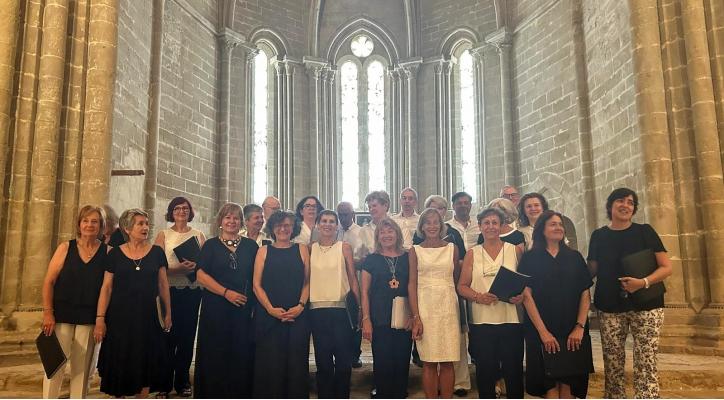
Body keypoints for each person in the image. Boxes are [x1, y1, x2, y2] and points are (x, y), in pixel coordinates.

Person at [587, 188, 672, 398]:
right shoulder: (599, 235)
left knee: (646, 360)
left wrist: (642, 282)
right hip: (610, 305)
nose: (625, 205)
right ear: (610, 205)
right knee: (613, 361)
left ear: (634, 209)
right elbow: (591, 270)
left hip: (647, 304)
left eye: (630, 202)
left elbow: (666, 267)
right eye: (620, 201)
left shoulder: (645, 231)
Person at [95, 208, 172, 398]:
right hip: (119, 319)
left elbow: (163, 284)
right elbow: (106, 288)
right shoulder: (114, 254)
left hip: (148, 318)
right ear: (127, 228)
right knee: (120, 361)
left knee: (145, 362)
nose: (145, 227)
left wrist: (168, 313)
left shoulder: (156, 253)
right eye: (140, 224)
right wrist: (100, 319)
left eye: (146, 223)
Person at [519, 210, 594, 398]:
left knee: (568, 383)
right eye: (553, 224)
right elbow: (526, 296)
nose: (559, 228)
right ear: (541, 229)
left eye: (560, 224)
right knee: (548, 384)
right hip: (541, 327)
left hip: (572, 328)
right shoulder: (529, 258)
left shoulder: (574, 257)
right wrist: (543, 333)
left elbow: (585, 293)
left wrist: (579, 327)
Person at [41, 205, 108, 399]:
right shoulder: (65, 247)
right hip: (60, 316)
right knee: (53, 368)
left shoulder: (108, 252)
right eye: (85, 220)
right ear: (79, 224)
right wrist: (48, 312)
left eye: (94, 221)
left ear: (101, 226)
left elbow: (108, 288)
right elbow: (48, 281)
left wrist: (101, 320)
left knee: (82, 372)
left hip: (89, 318)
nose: (89, 225)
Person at [193, 203, 258, 398]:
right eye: (228, 217)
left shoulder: (250, 246)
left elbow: (257, 276)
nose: (232, 221)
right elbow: (200, 275)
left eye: (236, 218)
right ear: (221, 221)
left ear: (241, 222)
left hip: (243, 308)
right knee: (215, 352)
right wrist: (226, 293)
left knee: (241, 352)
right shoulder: (210, 245)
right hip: (215, 308)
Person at [253, 210, 311, 398]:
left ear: (293, 227)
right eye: (279, 225)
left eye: (287, 225)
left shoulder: (302, 249)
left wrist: (300, 306)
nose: (283, 228)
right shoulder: (264, 250)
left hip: (297, 315)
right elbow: (256, 285)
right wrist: (270, 309)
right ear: (272, 228)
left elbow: (308, 282)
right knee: (272, 363)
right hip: (269, 315)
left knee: (296, 361)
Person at [152, 197, 206, 398]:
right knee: (167, 337)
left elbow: (206, 265)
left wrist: (196, 267)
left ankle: (182, 382)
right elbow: (156, 267)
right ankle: (164, 385)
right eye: (177, 208)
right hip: (169, 290)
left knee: (186, 337)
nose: (182, 211)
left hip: (192, 291)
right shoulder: (163, 235)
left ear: (190, 211)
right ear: (171, 212)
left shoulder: (198, 234)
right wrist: (177, 269)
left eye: (185, 208)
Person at [409, 208, 461, 398]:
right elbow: (411, 284)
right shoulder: (415, 250)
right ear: (421, 226)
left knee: (448, 360)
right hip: (425, 307)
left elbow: (455, 280)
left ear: (442, 225)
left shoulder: (452, 249)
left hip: (448, 306)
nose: (432, 226)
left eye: (435, 222)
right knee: (429, 361)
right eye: (427, 222)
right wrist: (416, 316)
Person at [309, 210, 361, 398]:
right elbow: (306, 279)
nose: (328, 224)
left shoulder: (344, 247)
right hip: (316, 310)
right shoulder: (310, 248)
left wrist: (359, 307)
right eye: (324, 221)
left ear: (337, 225)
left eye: (332, 221)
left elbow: (353, 278)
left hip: (341, 310)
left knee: (343, 361)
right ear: (317, 224)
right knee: (322, 360)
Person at [361, 218, 413, 398]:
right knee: (382, 361)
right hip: (379, 317)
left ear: (397, 234)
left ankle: (399, 393)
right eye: (382, 232)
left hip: (404, 318)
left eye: (390, 231)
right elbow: (365, 292)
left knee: (402, 359)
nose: (387, 235)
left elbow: (414, 287)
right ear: (377, 236)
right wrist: (366, 319)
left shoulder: (408, 257)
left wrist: (413, 315)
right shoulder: (371, 260)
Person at [337, 201, 364, 369]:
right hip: (338, 280)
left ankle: (355, 354)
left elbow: (366, 257)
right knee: (342, 319)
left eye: (346, 214)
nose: (343, 217)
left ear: (353, 214)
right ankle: (342, 352)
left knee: (356, 317)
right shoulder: (334, 231)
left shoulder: (361, 232)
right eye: (340, 214)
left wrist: (351, 262)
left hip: (357, 279)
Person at [358, 191, 392, 261]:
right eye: (369, 207)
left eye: (374, 206)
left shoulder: (397, 225)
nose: (371, 209)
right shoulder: (364, 231)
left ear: (385, 205)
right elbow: (359, 257)